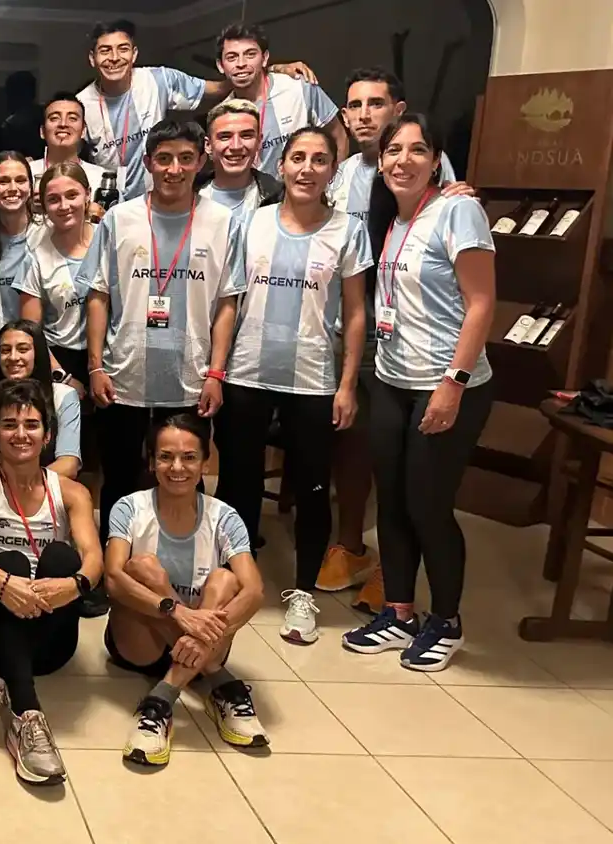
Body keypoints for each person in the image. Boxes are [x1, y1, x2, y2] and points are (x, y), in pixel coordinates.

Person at [340, 114, 494, 672]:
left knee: (429, 505)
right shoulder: (391, 216)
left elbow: (481, 303)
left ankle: (446, 621)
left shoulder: (458, 211)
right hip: (392, 380)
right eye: (393, 151)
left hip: (446, 384)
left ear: (436, 160)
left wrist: (452, 384)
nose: (403, 160)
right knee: (393, 502)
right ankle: (399, 611)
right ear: (380, 162)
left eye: (417, 150)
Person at [214, 127, 370, 646]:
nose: (307, 168)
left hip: (312, 380)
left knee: (312, 487)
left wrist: (346, 385)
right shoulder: (251, 222)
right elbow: (230, 300)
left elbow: (355, 313)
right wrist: (217, 370)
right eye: (297, 158)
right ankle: (234, 578)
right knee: (237, 483)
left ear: (332, 170)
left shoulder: (347, 230)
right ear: (280, 166)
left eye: (319, 160)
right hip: (246, 373)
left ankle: (303, 592)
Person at [321, 67, 463, 605]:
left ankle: (392, 566)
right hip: (353, 324)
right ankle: (350, 545)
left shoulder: (426, 172)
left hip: (412, 336)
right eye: (354, 105)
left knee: (403, 462)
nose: (364, 115)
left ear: (397, 109)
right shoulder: (342, 173)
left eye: (375, 104)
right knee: (355, 441)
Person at [82, 119, 245, 540]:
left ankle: (186, 554)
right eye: (165, 158)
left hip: (191, 376)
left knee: (186, 476)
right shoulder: (119, 219)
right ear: (148, 162)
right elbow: (98, 295)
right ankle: (115, 561)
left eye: (186, 158)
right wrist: (96, 366)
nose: (175, 169)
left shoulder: (223, 222)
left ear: (202, 161)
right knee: (119, 477)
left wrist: (216, 373)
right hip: (124, 374)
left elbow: (227, 303)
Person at [0, 379, 103, 784]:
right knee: (12, 561)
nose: (21, 434)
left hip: (50, 642)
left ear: (48, 435)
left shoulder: (72, 492)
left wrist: (74, 585)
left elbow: (94, 559)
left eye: (31, 424)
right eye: (9, 424)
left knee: (62, 558)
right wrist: (6, 584)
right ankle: (27, 716)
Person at [104, 413, 267, 767]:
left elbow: (254, 590)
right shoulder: (129, 508)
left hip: (204, 643)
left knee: (227, 580)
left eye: (189, 457)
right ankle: (220, 682)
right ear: (152, 462)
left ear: (205, 463)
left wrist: (199, 636)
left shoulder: (224, 516)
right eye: (166, 457)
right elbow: (113, 578)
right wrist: (178, 612)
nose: (177, 467)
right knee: (140, 568)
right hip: (141, 642)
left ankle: (161, 700)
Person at [77, 19, 314, 200]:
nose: (115, 57)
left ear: (134, 54)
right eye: (105, 50)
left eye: (123, 49)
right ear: (92, 58)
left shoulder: (159, 80)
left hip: (159, 199)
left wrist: (268, 70)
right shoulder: (80, 105)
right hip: (107, 203)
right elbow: (69, 159)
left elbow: (219, 88)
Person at [214, 23, 347, 177]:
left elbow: (339, 136)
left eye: (250, 54)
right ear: (220, 65)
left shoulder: (298, 87)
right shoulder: (222, 116)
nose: (241, 64)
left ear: (264, 58)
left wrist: (335, 185)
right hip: (258, 192)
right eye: (232, 57)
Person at [0, 321, 81, 479]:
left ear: (38, 353)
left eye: (23, 349)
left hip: (51, 487)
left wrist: (27, 487)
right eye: (5, 350)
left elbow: (68, 465)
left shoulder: (64, 396)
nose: (13, 357)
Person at [16, 161, 95, 389]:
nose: (64, 206)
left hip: (109, 359)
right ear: (43, 205)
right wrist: (61, 376)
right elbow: (31, 331)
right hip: (61, 361)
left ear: (88, 194)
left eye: (72, 195)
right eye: (53, 199)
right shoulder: (35, 257)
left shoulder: (108, 241)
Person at [0, 152, 39, 361]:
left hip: (42, 346)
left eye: (20, 180)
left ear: (31, 187)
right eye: (3, 181)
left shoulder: (46, 233)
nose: (12, 188)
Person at [194, 99, 282, 214]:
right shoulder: (186, 195)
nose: (236, 146)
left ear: (259, 142)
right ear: (208, 145)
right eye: (225, 137)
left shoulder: (280, 198)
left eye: (246, 136)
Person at [29, 92, 107, 203]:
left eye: (72, 118)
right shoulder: (26, 174)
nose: (63, 124)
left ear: (83, 131)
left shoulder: (100, 178)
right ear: (42, 131)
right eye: (54, 118)